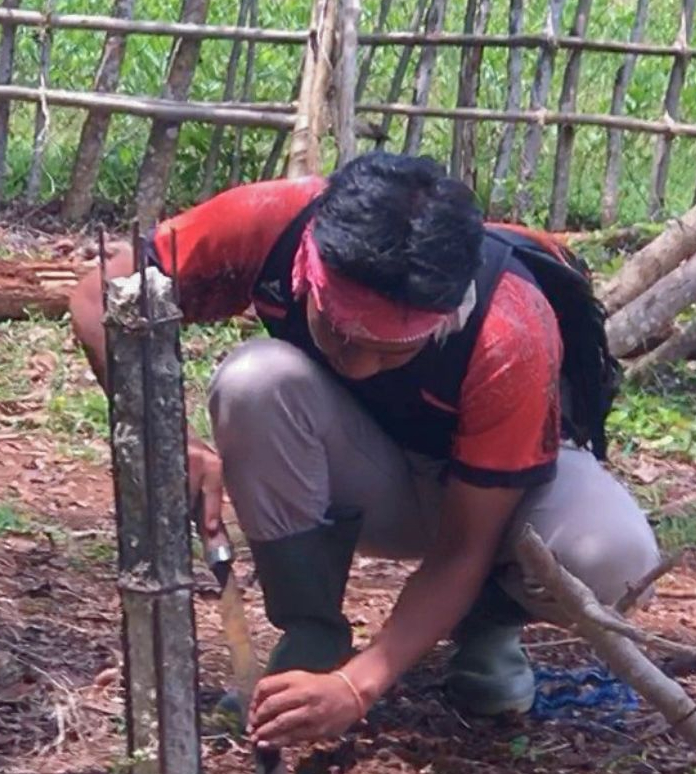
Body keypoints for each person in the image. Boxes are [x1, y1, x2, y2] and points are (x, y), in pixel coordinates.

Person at [69, 152, 661, 752]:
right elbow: (99, 299)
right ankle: (311, 632)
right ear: (310, 267)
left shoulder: (509, 330)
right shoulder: (273, 222)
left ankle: (486, 627)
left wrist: (359, 688)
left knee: (616, 554)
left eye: (388, 349)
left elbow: (465, 546)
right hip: (366, 472)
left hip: (495, 506)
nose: (356, 363)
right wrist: (167, 436)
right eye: (339, 331)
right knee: (253, 381)